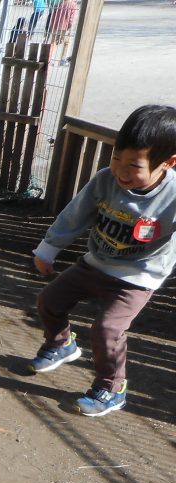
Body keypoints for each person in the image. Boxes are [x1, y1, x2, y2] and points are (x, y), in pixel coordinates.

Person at [27, 104, 176, 416]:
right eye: (115, 157)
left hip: (138, 276)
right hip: (96, 262)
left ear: (168, 162)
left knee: (107, 330)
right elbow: (76, 214)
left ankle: (111, 387)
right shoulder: (106, 179)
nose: (121, 170)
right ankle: (61, 343)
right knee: (49, 301)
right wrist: (48, 249)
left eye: (134, 165)